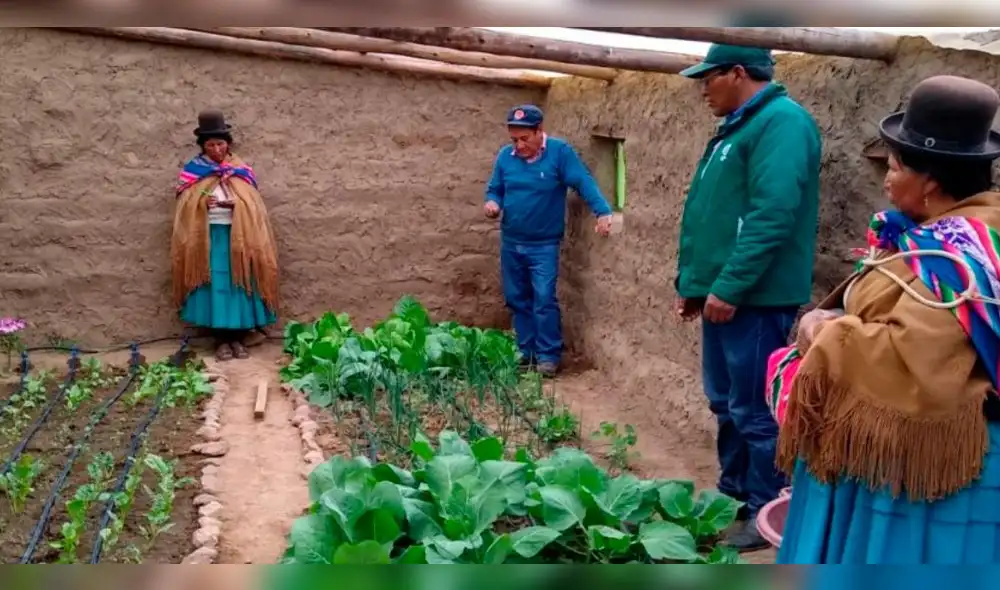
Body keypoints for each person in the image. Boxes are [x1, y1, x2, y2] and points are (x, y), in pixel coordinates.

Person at [774, 75, 1000, 564]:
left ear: (930, 183)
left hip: (929, 477)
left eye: (894, 167)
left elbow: (916, 363)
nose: (886, 178)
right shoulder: (955, 234)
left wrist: (825, 331)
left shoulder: (957, 259)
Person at [673, 44, 822, 551]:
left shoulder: (782, 123)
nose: (703, 89)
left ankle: (766, 509)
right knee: (726, 403)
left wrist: (730, 286)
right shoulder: (737, 128)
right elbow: (713, 216)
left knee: (755, 409)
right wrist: (698, 287)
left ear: (738, 73)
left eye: (709, 79)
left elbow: (771, 215)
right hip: (727, 296)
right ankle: (734, 495)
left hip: (755, 298)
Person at [484, 104, 614, 378]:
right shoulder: (505, 158)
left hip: (543, 244)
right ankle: (526, 350)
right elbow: (495, 189)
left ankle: (548, 356)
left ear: (539, 131)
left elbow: (582, 181)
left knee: (543, 298)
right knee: (517, 298)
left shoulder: (559, 153)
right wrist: (492, 203)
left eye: (524, 139)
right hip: (512, 241)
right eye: (514, 140)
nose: (518, 145)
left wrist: (603, 211)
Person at [171, 109, 280, 362]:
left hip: (239, 238)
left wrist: (238, 206)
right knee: (215, 285)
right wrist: (201, 205)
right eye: (211, 144)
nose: (216, 149)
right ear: (203, 146)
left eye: (220, 143)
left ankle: (239, 338)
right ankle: (221, 340)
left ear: (228, 144)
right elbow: (184, 205)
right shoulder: (193, 171)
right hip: (209, 238)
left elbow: (255, 205)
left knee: (240, 285)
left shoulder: (241, 170)